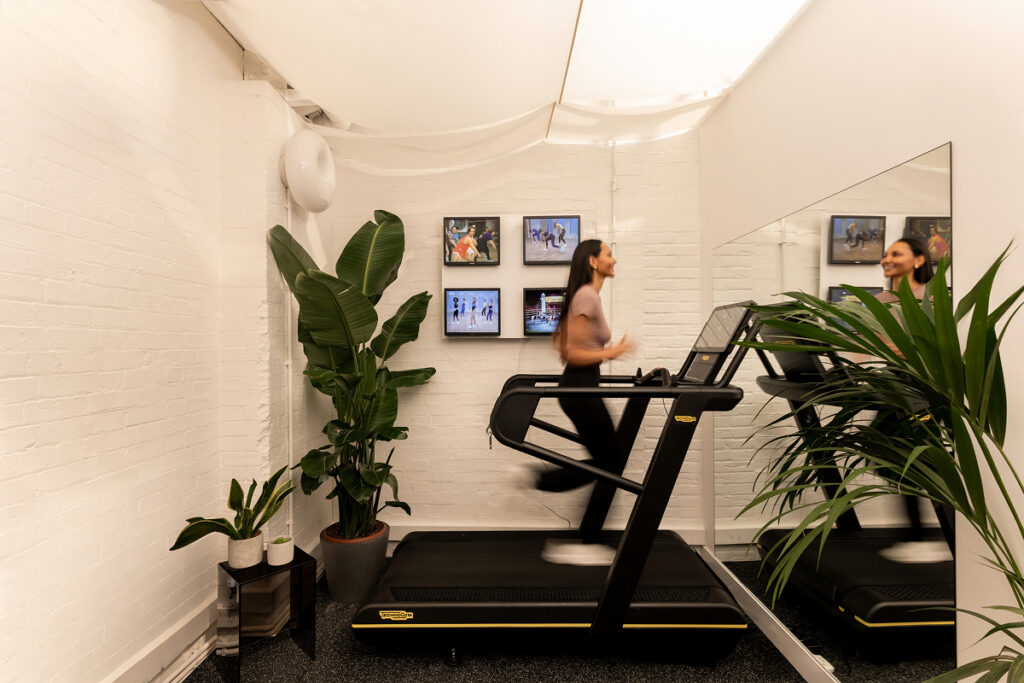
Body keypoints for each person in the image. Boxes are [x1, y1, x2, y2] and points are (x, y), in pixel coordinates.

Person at [519, 239, 633, 565]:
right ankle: (581, 536)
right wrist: (613, 352)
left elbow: (562, 343)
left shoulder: (587, 295)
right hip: (579, 389)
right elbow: (570, 352)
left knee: (609, 462)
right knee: (611, 462)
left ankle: (583, 538)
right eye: (609, 254)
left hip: (582, 388)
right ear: (595, 262)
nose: (614, 259)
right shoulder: (586, 295)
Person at [875, 237, 954, 564]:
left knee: (921, 463)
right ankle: (915, 535)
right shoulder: (881, 299)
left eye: (896, 253)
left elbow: (944, 345)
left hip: (920, 391)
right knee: (891, 463)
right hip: (890, 387)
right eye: (885, 254)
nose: (886, 259)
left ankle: (940, 536)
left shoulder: (934, 299)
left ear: (920, 260)